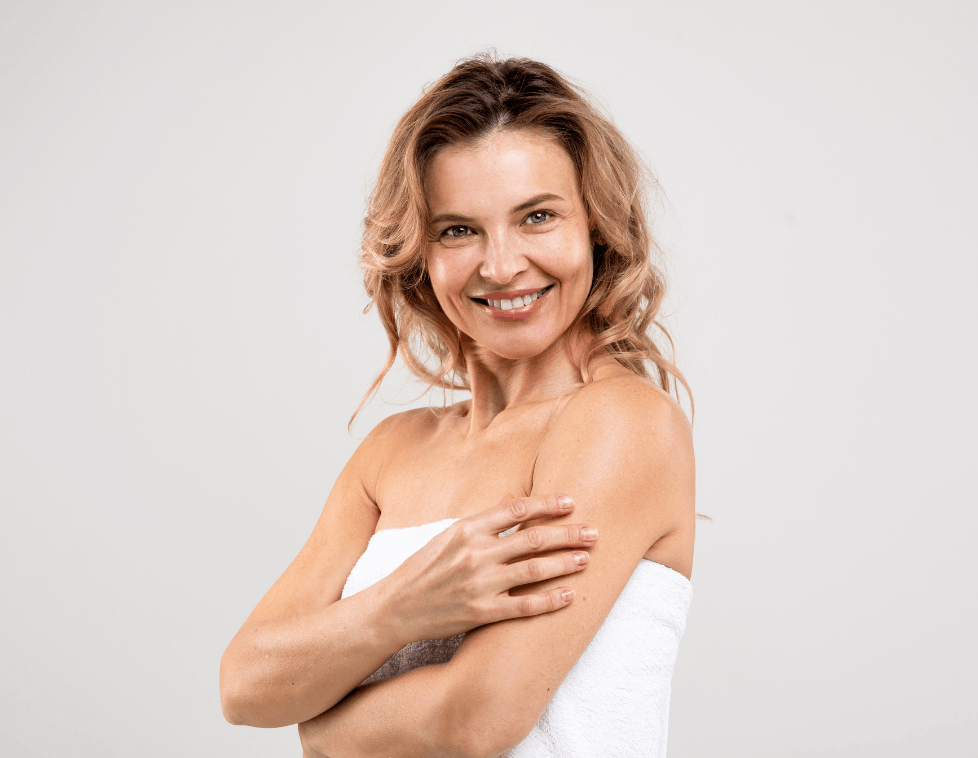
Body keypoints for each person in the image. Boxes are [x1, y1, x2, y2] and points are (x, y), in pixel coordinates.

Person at [220, 54, 696, 757]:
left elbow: (475, 719)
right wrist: (405, 604)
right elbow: (245, 684)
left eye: (537, 216)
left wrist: (321, 724)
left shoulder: (620, 423)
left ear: (595, 226)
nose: (500, 266)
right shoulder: (392, 451)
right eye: (457, 230)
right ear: (420, 254)